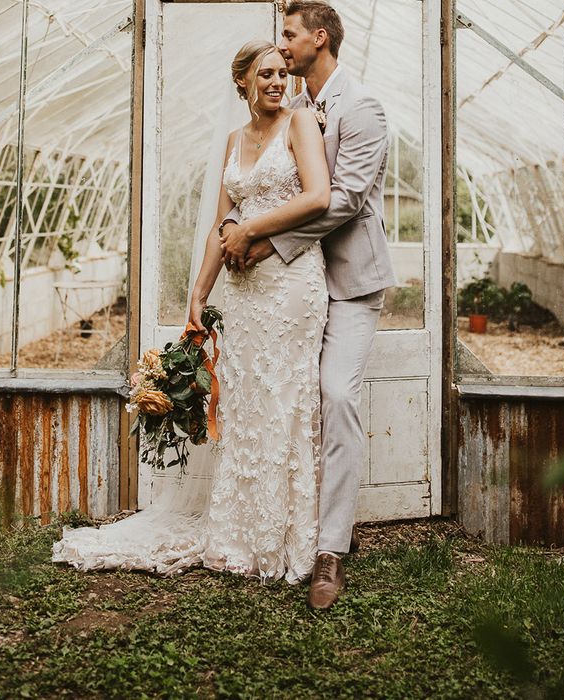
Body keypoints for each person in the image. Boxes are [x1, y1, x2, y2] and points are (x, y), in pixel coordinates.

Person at [52, 40, 331, 585]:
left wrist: (252, 229)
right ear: (244, 83)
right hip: (245, 292)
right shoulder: (233, 140)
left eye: (283, 73)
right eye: (267, 74)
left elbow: (318, 197)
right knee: (248, 402)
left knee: (285, 399)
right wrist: (199, 294)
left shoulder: (299, 126)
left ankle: (286, 537)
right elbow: (220, 226)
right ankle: (238, 535)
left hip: (293, 284)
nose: (279, 82)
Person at [219, 0, 396, 609]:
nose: (282, 46)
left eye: (290, 35)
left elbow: (342, 200)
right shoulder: (292, 109)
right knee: (289, 398)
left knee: (338, 396)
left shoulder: (363, 106)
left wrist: (264, 242)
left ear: (319, 39)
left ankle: (330, 552)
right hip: (293, 290)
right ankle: (281, 526)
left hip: (347, 282)